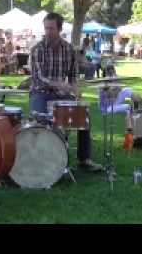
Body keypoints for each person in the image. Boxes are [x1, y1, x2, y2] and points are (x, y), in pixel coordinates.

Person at [29, 12, 102, 171]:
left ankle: (84, 159)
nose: (48, 32)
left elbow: (73, 75)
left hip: (61, 94)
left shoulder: (69, 49)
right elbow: (38, 77)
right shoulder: (37, 49)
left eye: (51, 29)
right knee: (40, 123)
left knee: (83, 115)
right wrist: (60, 84)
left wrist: (75, 88)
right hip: (40, 92)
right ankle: (40, 160)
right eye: (46, 28)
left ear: (60, 29)